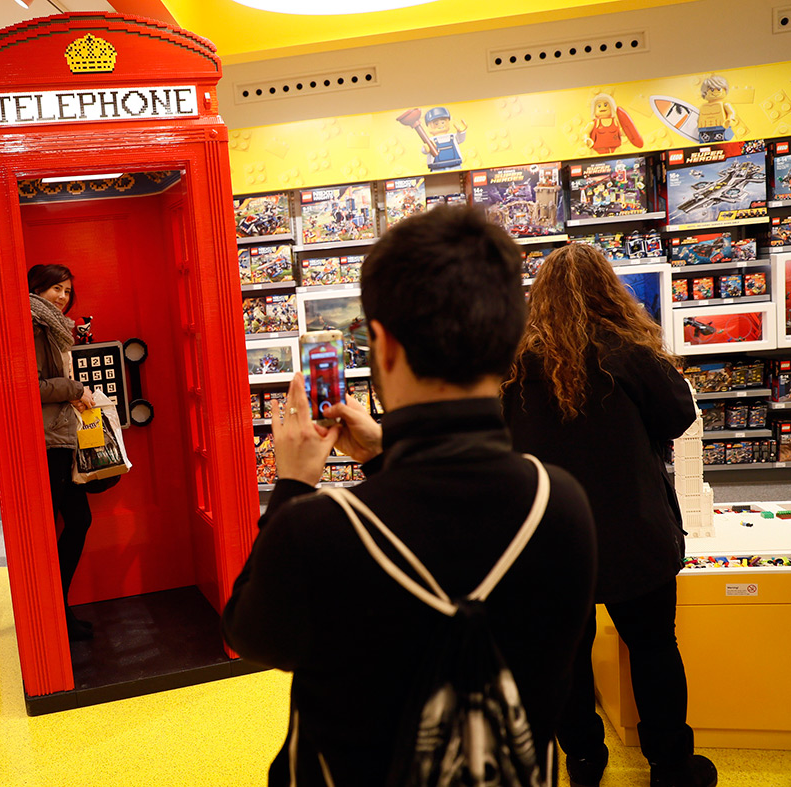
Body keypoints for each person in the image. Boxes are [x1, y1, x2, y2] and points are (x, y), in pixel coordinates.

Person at [222, 206, 598, 786]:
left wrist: (294, 484)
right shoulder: (562, 502)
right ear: (509, 339)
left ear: (383, 345)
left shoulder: (318, 526)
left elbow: (250, 633)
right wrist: (383, 456)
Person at [502, 243, 715, 787]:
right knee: (653, 648)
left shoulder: (510, 364)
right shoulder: (629, 350)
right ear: (609, 289)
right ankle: (670, 765)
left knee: (564, 658)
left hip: (548, 541)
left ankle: (582, 760)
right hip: (633, 534)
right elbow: (675, 416)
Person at [28, 264, 98, 642]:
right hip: (48, 440)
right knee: (73, 520)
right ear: (37, 288)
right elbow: (32, 385)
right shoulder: (36, 325)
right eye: (56, 288)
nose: (63, 297)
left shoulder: (51, 326)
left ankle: (59, 606)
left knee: (78, 520)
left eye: (68, 291)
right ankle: (54, 610)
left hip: (60, 436)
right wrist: (75, 388)